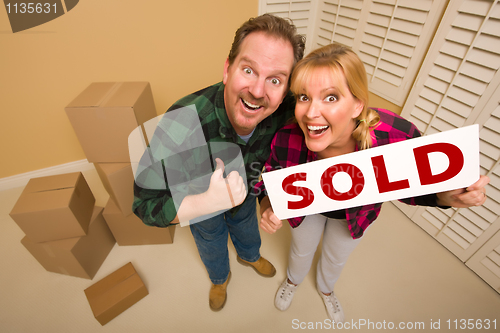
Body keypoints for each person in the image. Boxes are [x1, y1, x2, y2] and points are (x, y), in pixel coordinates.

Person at [256, 43, 490, 323]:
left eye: (330, 98)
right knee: (301, 249)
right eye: (304, 97)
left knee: (334, 257)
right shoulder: (286, 137)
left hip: (355, 215)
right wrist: (268, 207)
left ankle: (326, 289)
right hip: (306, 210)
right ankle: (293, 281)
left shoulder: (394, 136)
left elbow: (414, 187)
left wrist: (446, 198)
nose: (310, 113)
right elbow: (269, 181)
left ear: (357, 104)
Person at [132, 14, 306, 311]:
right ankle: (220, 279)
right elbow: (143, 204)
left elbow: (331, 127)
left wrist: (267, 201)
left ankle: (249, 256)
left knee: (249, 230)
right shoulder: (182, 122)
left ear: (286, 88)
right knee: (211, 243)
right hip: (201, 206)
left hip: (246, 195)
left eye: (275, 79)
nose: (258, 91)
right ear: (228, 69)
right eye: (248, 70)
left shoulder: (286, 109)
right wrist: (201, 204)